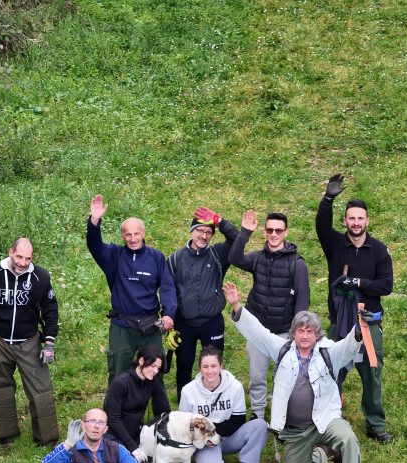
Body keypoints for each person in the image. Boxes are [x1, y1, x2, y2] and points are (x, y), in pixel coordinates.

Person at [222, 281, 368, 463]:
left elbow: (348, 348)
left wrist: (359, 331)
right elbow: (258, 333)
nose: (305, 335)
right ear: (294, 333)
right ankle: (324, 454)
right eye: (301, 331)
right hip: (296, 430)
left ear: (317, 334)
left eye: (310, 331)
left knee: (349, 439)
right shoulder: (282, 349)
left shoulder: (328, 351)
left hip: (326, 420)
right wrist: (236, 304)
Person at [316, 173, 394, 444]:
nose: (356, 222)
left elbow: (386, 285)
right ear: (345, 221)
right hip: (340, 324)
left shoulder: (379, 250)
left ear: (367, 221)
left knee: (372, 374)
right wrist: (328, 199)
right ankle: (329, 420)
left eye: (360, 218)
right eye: (351, 218)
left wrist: (360, 282)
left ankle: (375, 424)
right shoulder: (336, 245)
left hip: (369, 324)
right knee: (331, 371)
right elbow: (321, 227)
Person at [0, 237, 59, 445]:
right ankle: (8, 436)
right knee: (1, 388)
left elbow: (50, 309)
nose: (23, 263)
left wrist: (49, 342)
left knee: (41, 389)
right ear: (10, 252)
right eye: (19, 257)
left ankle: (47, 438)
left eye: (28, 258)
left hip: (29, 340)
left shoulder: (41, 278)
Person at [228, 210, 310, 420]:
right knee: (257, 378)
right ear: (264, 231)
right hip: (258, 332)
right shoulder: (257, 258)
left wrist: (297, 334)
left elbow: (303, 301)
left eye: (278, 230)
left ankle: (282, 417)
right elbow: (234, 258)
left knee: (285, 379)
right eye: (270, 230)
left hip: (284, 332)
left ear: (286, 232)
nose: (274, 234)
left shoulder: (297, 264)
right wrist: (245, 232)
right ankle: (257, 416)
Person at [87, 194, 177, 383]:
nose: (133, 238)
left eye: (136, 234)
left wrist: (169, 314)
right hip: (122, 326)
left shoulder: (156, 257)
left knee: (155, 375)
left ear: (143, 234)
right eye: (128, 234)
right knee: (118, 375)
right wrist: (94, 221)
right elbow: (94, 246)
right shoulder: (114, 256)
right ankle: (116, 404)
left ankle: (156, 404)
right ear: (123, 236)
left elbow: (167, 287)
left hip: (150, 325)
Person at [167, 206, 240, 399]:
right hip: (184, 323)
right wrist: (169, 323)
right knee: (184, 366)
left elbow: (237, 239)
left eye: (208, 232)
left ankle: (216, 402)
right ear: (191, 232)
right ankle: (185, 405)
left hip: (212, 322)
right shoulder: (174, 259)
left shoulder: (218, 255)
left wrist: (219, 221)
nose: (204, 235)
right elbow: (168, 292)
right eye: (199, 230)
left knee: (214, 366)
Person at [178, 346, 268, 463]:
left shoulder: (235, 386)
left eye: (214, 366)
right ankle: (205, 458)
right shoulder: (188, 390)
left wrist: (212, 431)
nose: (210, 371)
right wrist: (203, 438)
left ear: (221, 366)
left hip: (228, 437)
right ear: (199, 368)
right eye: (205, 366)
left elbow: (238, 420)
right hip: (204, 441)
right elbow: (184, 423)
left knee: (260, 425)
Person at [104, 346, 171, 463]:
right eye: (153, 366)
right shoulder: (121, 383)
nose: (156, 371)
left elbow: (165, 410)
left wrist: (149, 428)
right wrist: (133, 447)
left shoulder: (152, 381)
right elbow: (113, 419)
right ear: (141, 361)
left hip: (137, 433)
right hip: (115, 435)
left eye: (158, 368)